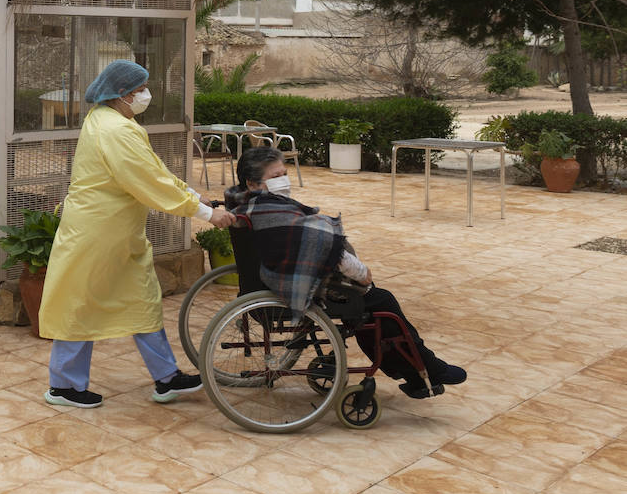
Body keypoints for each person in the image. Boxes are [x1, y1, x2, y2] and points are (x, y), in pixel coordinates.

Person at [39, 59, 236, 409]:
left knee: (142, 300)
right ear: (120, 94)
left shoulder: (110, 121)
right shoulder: (115, 130)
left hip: (116, 234)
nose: (145, 95)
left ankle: (166, 378)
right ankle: (64, 387)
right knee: (81, 303)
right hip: (96, 234)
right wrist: (205, 212)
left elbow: (153, 171)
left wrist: (194, 194)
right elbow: (147, 182)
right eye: (138, 90)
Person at [225, 146, 466, 399]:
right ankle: (428, 368)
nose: (284, 180)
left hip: (279, 277)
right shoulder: (274, 215)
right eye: (276, 177)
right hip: (295, 287)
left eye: (285, 173)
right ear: (252, 183)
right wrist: (361, 273)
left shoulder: (251, 203)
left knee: (370, 304)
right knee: (381, 303)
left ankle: (416, 374)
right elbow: (325, 249)